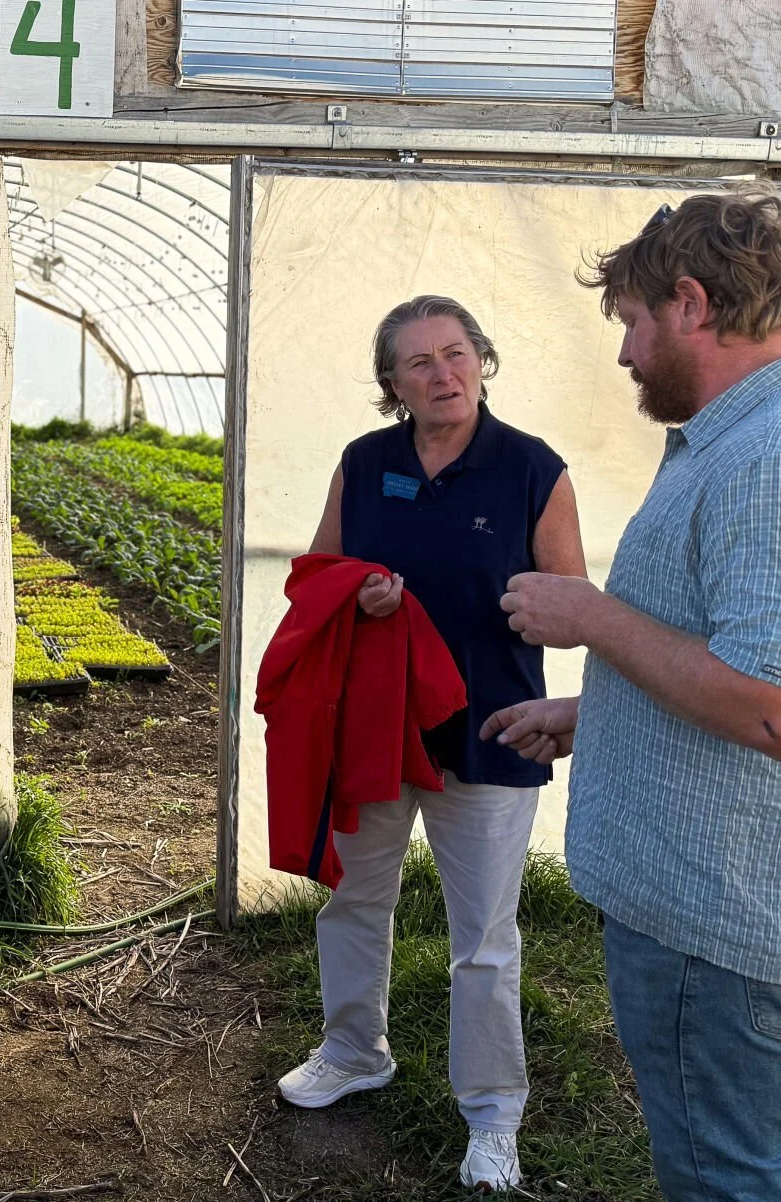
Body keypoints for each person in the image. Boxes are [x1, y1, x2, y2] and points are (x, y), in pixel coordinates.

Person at [484, 192, 781, 1202]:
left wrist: (586, 614)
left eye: (629, 322)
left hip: (715, 919)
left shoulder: (776, 464)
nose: (625, 355)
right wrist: (597, 714)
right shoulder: (740, 446)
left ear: (688, 303)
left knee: (727, 1181)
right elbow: (748, 664)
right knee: (730, 1168)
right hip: (703, 904)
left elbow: (776, 709)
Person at [276, 295, 586, 1192]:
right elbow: (316, 573)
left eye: (455, 354)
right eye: (418, 363)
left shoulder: (531, 469)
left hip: (492, 729)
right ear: (392, 385)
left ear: (482, 361)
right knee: (353, 900)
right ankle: (352, 1050)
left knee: (484, 935)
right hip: (376, 725)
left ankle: (493, 1112)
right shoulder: (366, 463)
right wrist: (362, 590)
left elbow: (570, 606)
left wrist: (528, 608)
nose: (441, 374)